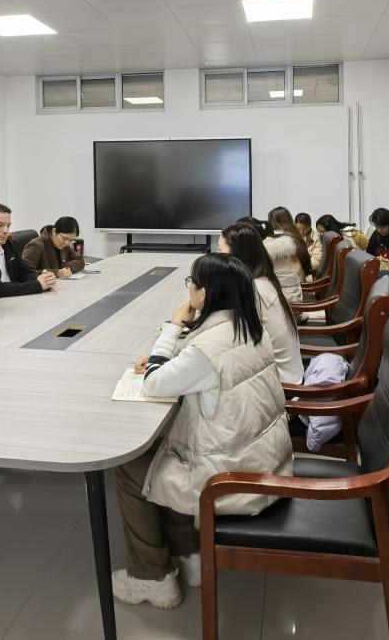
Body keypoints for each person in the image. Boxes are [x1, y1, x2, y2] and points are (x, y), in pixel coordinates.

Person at [111, 253, 293, 608]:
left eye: (190, 283)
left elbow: (154, 384)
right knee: (168, 453)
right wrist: (172, 353)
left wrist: (172, 329)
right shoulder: (250, 329)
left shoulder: (206, 351)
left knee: (131, 467)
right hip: (266, 464)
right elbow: (203, 360)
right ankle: (189, 554)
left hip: (228, 482)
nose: (189, 289)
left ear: (204, 294)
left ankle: (151, 578)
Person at [219, 221, 303, 383]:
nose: (216, 256)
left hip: (281, 384)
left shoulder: (253, 289)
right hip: (289, 375)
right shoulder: (264, 279)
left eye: (220, 250)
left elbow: (229, 338)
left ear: (237, 254)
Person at [268, 205, 313, 287]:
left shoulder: (283, 242)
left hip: (293, 288)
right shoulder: (296, 236)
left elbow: (296, 270)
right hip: (299, 284)